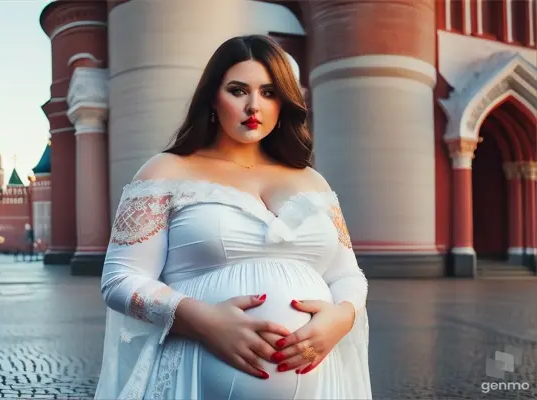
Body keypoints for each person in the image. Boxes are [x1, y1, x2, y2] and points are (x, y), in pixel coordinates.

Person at [95, 35, 371, 400]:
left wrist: (341, 318)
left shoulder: (312, 180)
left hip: (322, 382)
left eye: (269, 93)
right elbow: (119, 279)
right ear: (213, 97)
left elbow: (347, 274)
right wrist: (203, 321)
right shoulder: (166, 170)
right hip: (192, 375)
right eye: (238, 90)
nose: (253, 105)